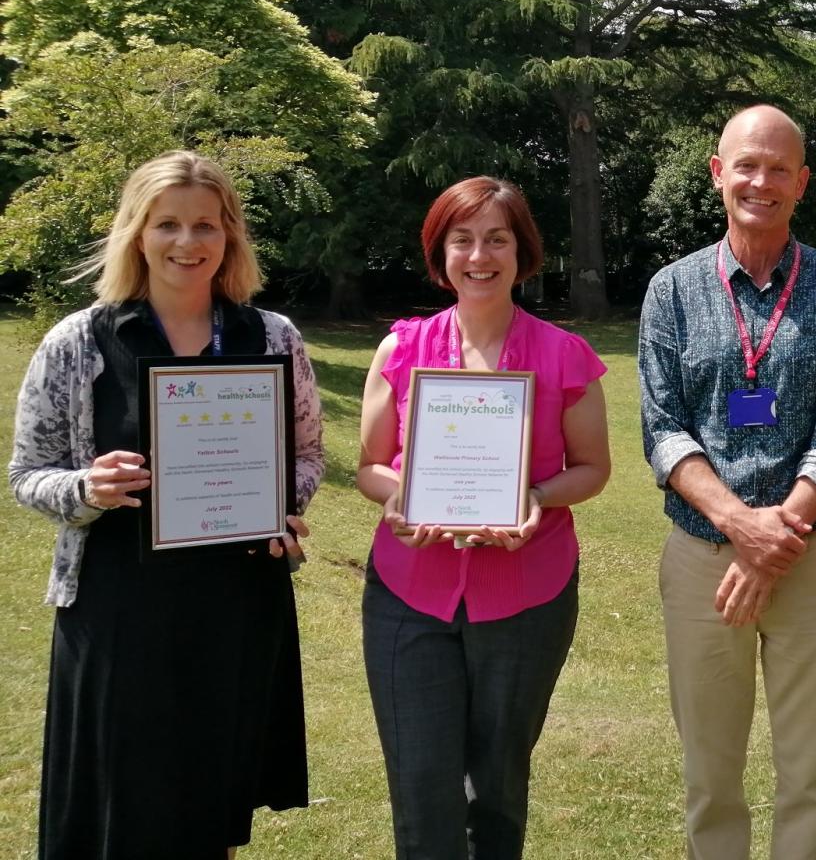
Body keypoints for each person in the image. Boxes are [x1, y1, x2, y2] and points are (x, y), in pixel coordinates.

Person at [10, 150, 321, 860]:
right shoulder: (78, 341)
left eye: (206, 225)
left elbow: (305, 456)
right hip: (119, 607)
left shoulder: (272, 337)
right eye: (168, 225)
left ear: (230, 236)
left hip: (237, 602)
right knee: (119, 803)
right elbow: (27, 473)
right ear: (137, 233)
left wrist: (282, 506)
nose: (188, 243)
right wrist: (85, 489)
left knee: (212, 801)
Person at [638, 105, 816, 860]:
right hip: (703, 562)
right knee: (711, 775)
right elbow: (663, 429)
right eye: (746, 164)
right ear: (717, 173)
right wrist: (743, 525)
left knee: (810, 773)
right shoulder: (671, 292)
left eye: (778, 168)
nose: (760, 181)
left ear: (800, 182)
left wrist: (777, 537)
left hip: (810, 558)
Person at [356, 176, 610, 860]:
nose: (479, 255)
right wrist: (398, 499)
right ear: (439, 254)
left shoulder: (565, 355)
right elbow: (371, 466)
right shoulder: (402, 349)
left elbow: (593, 469)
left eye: (497, 238)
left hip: (528, 594)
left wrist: (535, 498)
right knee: (419, 780)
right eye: (461, 239)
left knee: (498, 780)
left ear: (522, 252)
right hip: (409, 593)